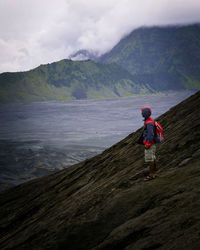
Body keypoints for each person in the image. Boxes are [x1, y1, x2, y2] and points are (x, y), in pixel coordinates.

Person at [140, 107, 157, 181]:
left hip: (150, 144)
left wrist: (148, 144)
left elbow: (150, 134)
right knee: (152, 158)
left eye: (142, 112)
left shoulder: (149, 123)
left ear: (145, 114)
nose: (141, 113)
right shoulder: (150, 121)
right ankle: (153, 173)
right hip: (152, 143)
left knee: (150, 159)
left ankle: (151, 175)